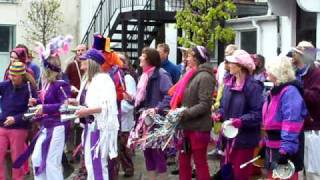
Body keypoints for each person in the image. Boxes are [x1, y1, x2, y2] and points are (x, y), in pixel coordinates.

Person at [13, 36, 72, 180]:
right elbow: (45, 101)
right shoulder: (47, 84)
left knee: (52, 162)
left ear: (48, 68)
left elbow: (65, 105)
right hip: (46, 126)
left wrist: (44, 107)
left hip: (57, 126)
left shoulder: (60, 84)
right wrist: (36, 102)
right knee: (37, 158)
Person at [67, 48, 119, 180]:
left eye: (84, 59)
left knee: (98, 165)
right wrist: (75, 102)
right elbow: (86, 102)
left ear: (91, 62)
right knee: (90, 165)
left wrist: (86, 111)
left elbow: (107, 106)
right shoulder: (87, 80)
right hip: (89, 127)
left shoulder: (104, 80)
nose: (80, 60)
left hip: (99, 128)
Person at [214, 49, 263, 180]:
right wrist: (219, 114)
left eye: (232, 63)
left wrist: (240, 121)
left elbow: (258, 114)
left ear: (241, 66)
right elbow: (224, 108)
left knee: (240, 175)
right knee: (226, 173)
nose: (228, 65)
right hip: (227, 138)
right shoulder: (229, 83)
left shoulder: (253, 86)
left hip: (244, 140)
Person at [172, 46, 215, 180]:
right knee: (183, 163)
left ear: (196, 58)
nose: (186, 59)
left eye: (189, 56)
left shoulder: (205, 77)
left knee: (200, 163)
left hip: (198, 128)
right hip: (186, 126)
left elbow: (205, 104)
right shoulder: (190, 74)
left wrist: (184, 113)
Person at [263, 56, 307, 180]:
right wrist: (265, 143)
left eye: (269, 69)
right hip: (274, 146)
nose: (267, 72)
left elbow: (291, 123)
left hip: (284, 148)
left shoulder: (289, 92)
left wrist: (286, 150)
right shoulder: (275, 91)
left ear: (277, 71)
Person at [135, 47, 173, 180]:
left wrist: (157, 108)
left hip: (157, 121)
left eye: (142, 56)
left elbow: (169, 96)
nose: (140, 58)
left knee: (158, 154)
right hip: (145, 120)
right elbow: (142, 98)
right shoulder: (144, 76)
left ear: (149, 59)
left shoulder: (162, 75)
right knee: (147, 152)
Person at [0, 62, 37, 180]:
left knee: (17, 159)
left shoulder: (30, 89)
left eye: (14, 76)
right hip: (2, 126)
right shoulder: (5, 85)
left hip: (19, 128)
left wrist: (15, 119)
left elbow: (32, 112)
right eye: (10, 75)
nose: (11, 77)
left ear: (21, 75)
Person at [291, 41, 320, 179]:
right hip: (295, 127)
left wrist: (298, 87)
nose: (293, 55)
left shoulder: (317, 73)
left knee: (313, 171)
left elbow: (316, 98)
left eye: (296, 52)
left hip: (312, 129)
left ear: (303, 55)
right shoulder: (293, 72)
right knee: (299, 168)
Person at [118, 53, 137, 177]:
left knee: (124, 148)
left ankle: (129, 169)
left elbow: (131, 100)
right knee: (119, 148)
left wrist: (118, 107)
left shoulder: (128, 78)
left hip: (124, 119)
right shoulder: (115, 76)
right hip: (117, 120)